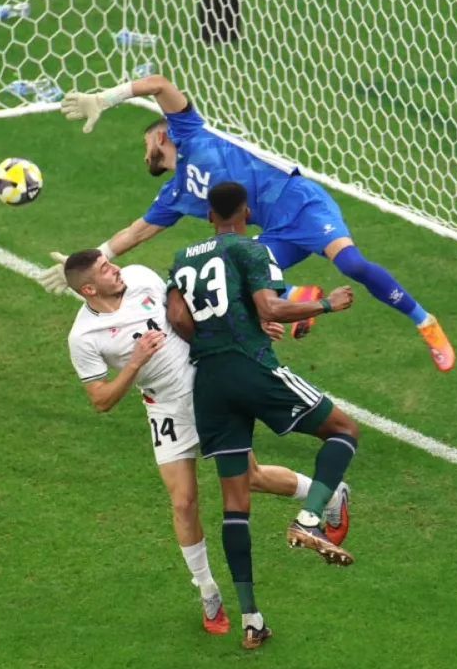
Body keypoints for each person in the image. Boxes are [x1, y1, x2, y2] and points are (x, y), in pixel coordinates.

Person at [38, 73, 455, 370]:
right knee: (226, 271)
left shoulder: (189, 132)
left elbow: (159, 84)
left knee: (351, 265)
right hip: (274, 232)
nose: (143, 151)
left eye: (145, 142)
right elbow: (137, 232)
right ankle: (296, 299)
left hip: (301, 204)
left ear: (159, 136)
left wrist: (106, 99)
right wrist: (87, 263)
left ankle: (426, 322)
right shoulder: (177, 194)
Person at [64, 249, 350, 637]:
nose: (115, 268)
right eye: (104, 270)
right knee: (183, 502)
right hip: (164, 407)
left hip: (207, 388)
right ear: (88, 288)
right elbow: (100, 400)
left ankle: (331, 495)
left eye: (109, 263)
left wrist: (250, 325)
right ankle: (207, 591)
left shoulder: (141, 277)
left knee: (250, 478)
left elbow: (193, 310)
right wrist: (134, 362)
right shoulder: (83, 336)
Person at [165, 181, 362, 650]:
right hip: (251, 367)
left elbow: (179, 318)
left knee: (235, 503)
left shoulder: (182, 257)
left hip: (208, 384)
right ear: (246, 212)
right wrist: (325, 304)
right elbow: (271, 306)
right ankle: (310, 519)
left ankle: (252, 619)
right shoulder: (250, 249)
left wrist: (215, 340)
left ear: (208, 215)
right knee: (344, 431)